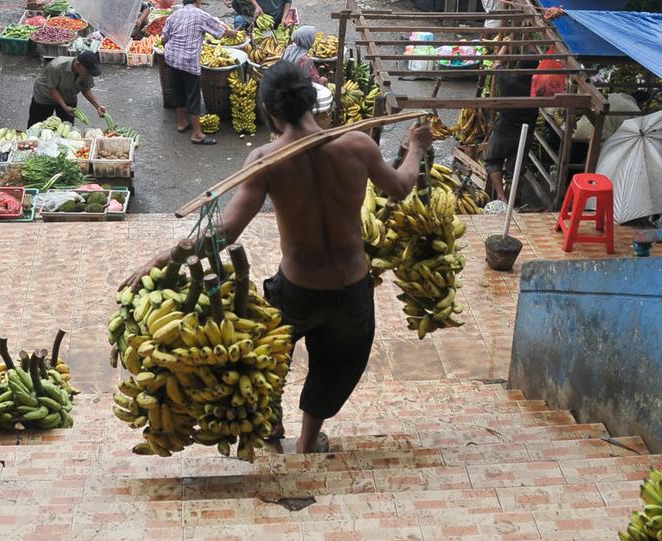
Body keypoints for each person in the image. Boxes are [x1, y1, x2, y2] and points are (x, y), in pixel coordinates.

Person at [123, 62, 433, 453]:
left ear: (269, 110)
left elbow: (226, 231)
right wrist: (416, 148)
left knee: (266, 361)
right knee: (334, 368)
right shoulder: (359, 145)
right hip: (352, 290)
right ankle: (306, 441)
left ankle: (271, 430)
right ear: (312, 102)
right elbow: (402, 186)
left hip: (297, 290)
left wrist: (165, 257)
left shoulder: (267, 160)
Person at [160, 0, 238, 145]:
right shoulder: (202, 15)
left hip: (172, 59)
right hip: (189, 61)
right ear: (198, 2)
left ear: (183, 2)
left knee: (178, 91)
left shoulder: (174, 16)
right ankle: (197, 134)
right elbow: (220, 31)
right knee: (193, 96)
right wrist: (233, 33)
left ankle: (182, 123)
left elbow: (163, 39)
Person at [483, 64, 538, 203]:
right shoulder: (536, 89)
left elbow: (496, 64)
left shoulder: (509, 82)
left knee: (493, 161)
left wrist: (505, 45)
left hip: (504, 130)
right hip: (524, 135)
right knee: (515, 171)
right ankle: (512, 200)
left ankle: (501, 195)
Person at [28, 51, 105, 127]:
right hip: (45, 96)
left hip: (68, 97)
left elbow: (86, 89)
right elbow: (52, 89)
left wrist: (98, 106)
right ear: (78, 64)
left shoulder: (86, 72)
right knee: (37, 126)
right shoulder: (56, 66)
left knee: (67, 127)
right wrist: (64, 106)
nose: (89, 73)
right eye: (87, 71)